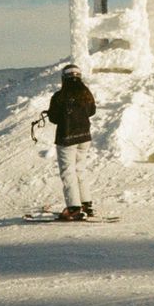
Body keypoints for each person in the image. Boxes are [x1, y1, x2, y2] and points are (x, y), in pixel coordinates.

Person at [47, 64, 96, 220]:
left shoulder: (59, 96)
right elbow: (92, 111)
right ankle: (86, 205)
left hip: (66, 137)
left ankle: (74, 208)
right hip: (84, 137)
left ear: (64, 78)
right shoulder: (86, 93)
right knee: (80, 169)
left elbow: (53, 118)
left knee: (68, 172)